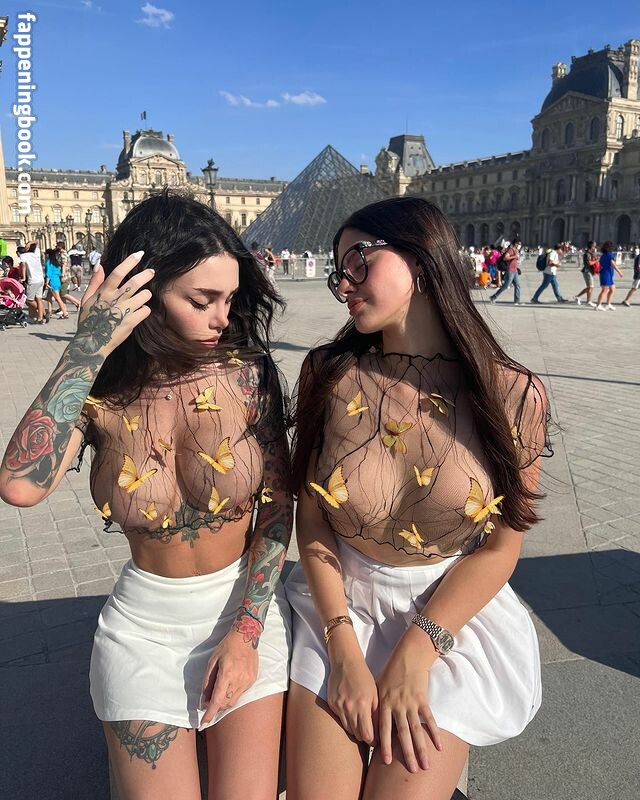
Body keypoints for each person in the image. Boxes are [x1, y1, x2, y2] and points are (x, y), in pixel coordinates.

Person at [0, 191, 292, 798]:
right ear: (143, 291)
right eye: (201, 300)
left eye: (229, 299)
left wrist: (246, 632)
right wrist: (88, 346)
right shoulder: (102, 387)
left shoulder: (248, 373)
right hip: (143, 631)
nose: (221, 318)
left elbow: (277, 508)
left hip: (246, 612)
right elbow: (21, 485)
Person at [285, 197, 551, 799]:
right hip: (338, 607)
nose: (343, 283)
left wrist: (416, 651)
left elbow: (501, 547)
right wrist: (342, 648)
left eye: (359, 260)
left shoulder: (514, 394)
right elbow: (313, 518)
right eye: (338, 271)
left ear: (424, 258)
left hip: (447, 617)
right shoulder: (328, 374)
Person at [19, 241, 45, 323]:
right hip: (41, 279)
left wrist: (23, 277)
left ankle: (43, 312)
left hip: (33, 280)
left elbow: (23, 266)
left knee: (28, 300)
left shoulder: (23, 256)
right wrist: (30, 244)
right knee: (39, 299)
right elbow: (36, 242)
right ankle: (40, 318)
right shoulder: (36, 253)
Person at [489, 238, 522, 304]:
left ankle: (517, 301)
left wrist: (516, 258)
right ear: (515, 244)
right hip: (510, 270)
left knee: (517, 285)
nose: (520, 245)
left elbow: (516, 258)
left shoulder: (516, 250)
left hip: (515, 270)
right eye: (519, 244)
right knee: (505, 286)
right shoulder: (511, 250)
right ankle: (493, 297)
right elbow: (505, 258)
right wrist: (514, 257)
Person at [594, 241, 624, 311]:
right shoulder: (610, 255)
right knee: (605, 290)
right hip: (606, 275)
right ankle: (598, 305)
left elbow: (600, 265)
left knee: (612, 289)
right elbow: (613, 264)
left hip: (606, 274)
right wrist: (620, 272)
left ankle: (608, 304)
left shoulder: (603, 256)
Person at [44, 248, 69, 319]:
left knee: (57, 298)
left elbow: (48, 273)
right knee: (49, 297)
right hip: (57, 280)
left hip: (52, 281)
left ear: (48, 254)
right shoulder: (55, 262)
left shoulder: (49, 262)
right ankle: (49, 312)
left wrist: (46, 282)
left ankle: (65, 313)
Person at [574, 241, 598, 306]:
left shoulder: (591, 253)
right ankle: (588, 301)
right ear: (591, 246)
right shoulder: (587, 254)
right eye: (594, 246)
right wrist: (596, 260)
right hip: (587, 271)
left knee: (590, 287)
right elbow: (589, 263)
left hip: (589, 271)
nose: (595, 247)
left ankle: (578, 297)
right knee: (590, 287)